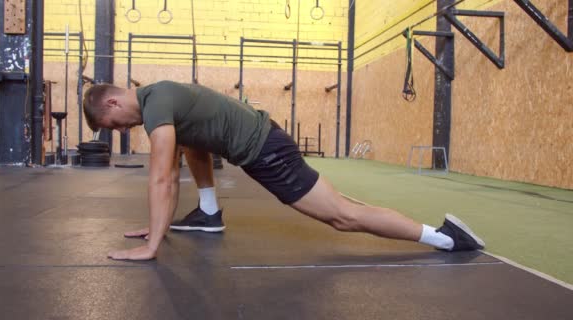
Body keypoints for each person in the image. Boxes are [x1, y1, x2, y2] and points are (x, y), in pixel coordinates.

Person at [82, 80, 485, 261]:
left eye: (115, 124)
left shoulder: (156, 106)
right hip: (265, 142)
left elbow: (162, 175)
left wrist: (152, 245)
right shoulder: (163, 96)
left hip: (268, 153)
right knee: (191, 142)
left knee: (343, 216)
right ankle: (207, 213)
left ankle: (447, 239)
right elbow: (192, 151)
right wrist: (160, 225)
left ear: (113, 104)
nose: (122, 130)